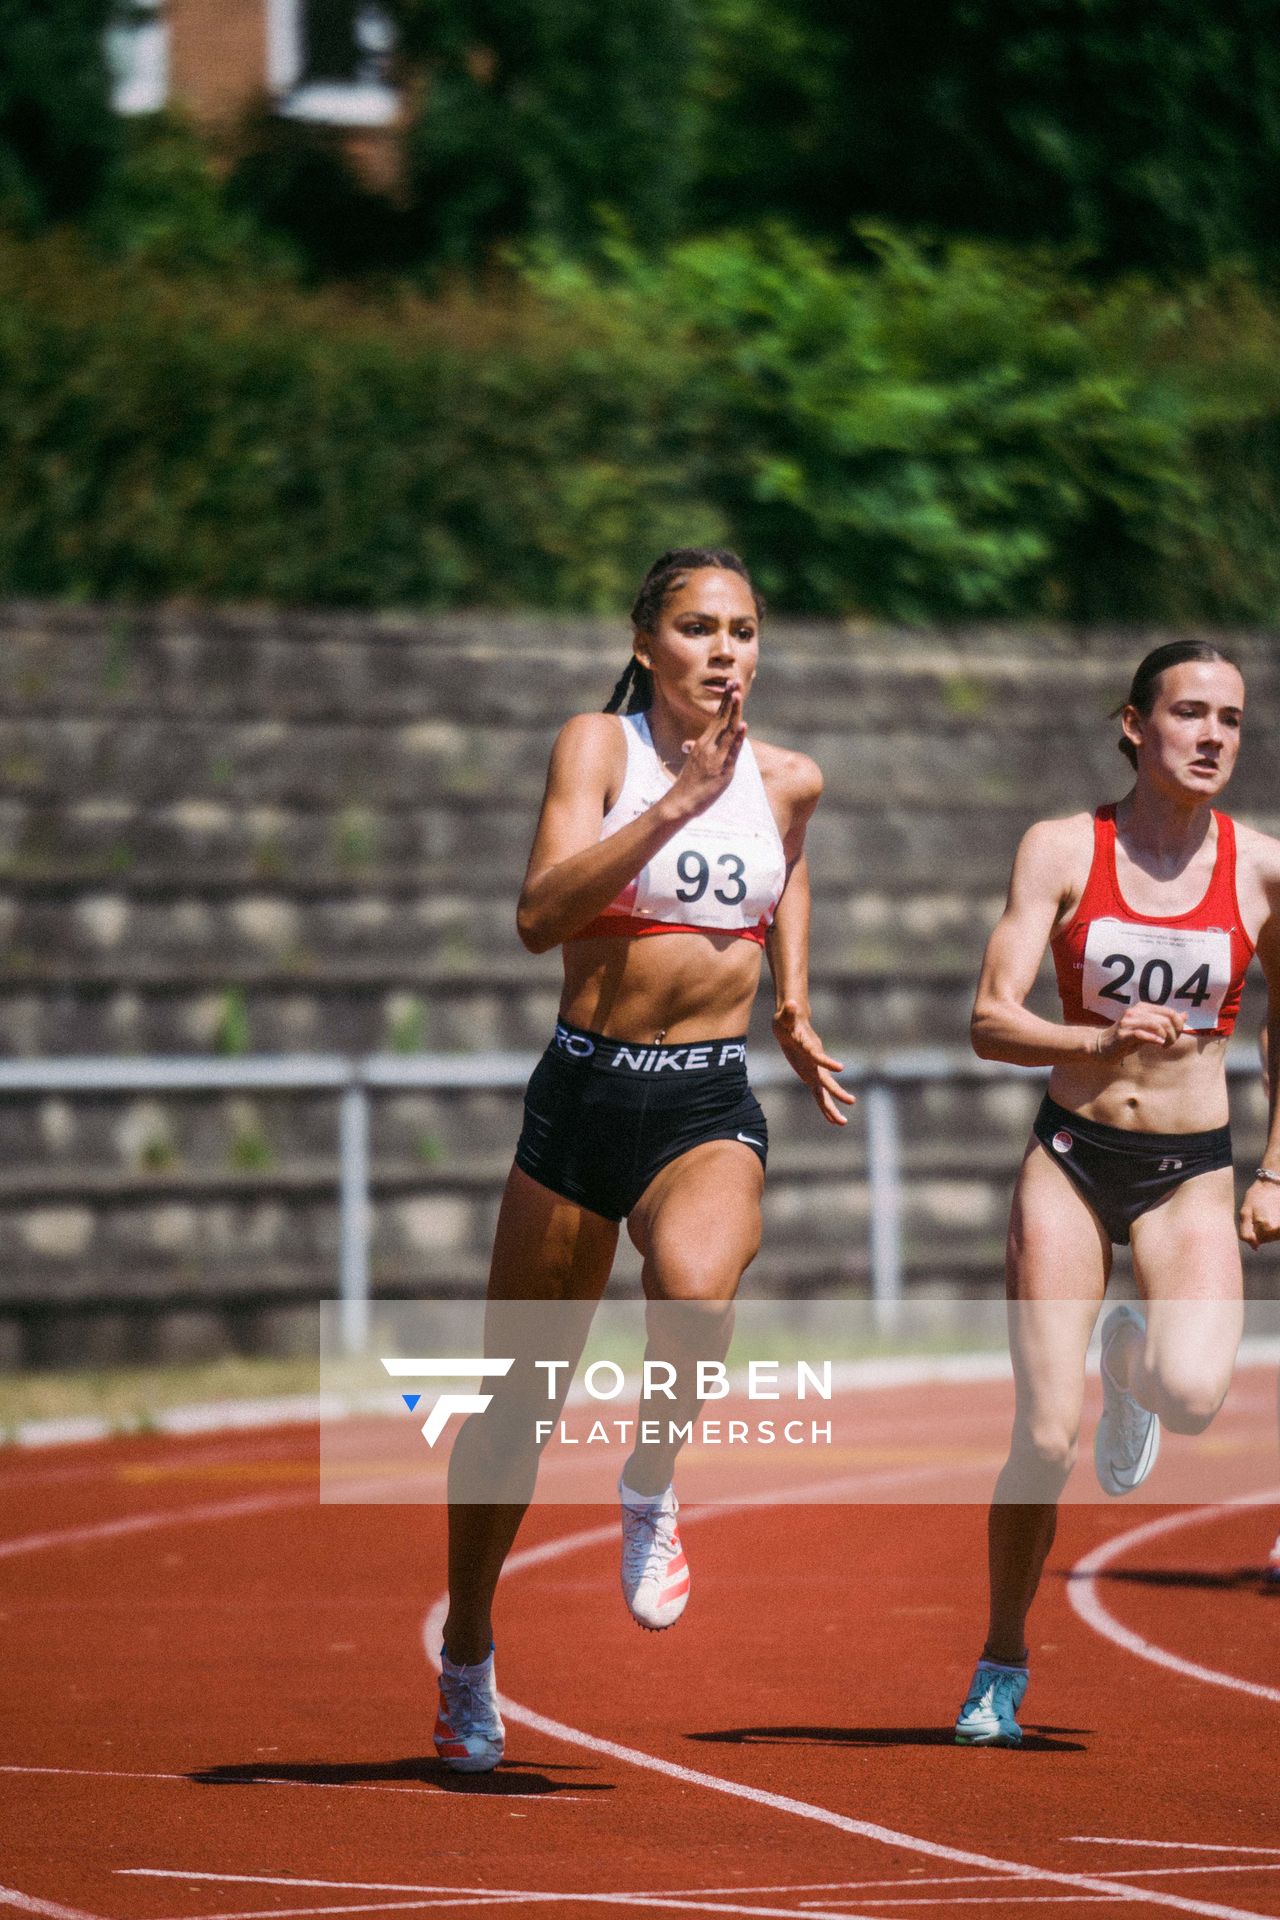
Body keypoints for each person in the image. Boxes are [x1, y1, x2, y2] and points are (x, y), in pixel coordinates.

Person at [433, 547, 853, 1772]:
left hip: (699, 1100)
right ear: (644, 645)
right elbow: (534, 918)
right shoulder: (596, 751)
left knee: (696, 1292)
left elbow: (789, 872)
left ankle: (649, 1482)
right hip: (580, 1096)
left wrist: (792, 1001)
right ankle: (466, 1653)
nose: (725, 651)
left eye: (744, 629)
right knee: (515, 1409)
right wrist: (669, 809)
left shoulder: (788, 779)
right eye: (697, 628)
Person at [953, 640, 1280, 1746]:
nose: (1210, 737)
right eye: (1187, 714)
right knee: (1043, 1439)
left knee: (1192, 1398)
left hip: (1189, 1175)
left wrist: (1275, 1165)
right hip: (1072, 1158)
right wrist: (1091, 1035)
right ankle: (1000, 1657)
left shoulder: (1259, 868)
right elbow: (989, 1019)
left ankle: (1131, 1367)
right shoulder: (1060, 847)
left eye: (1228, 720)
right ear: (1134, 724)